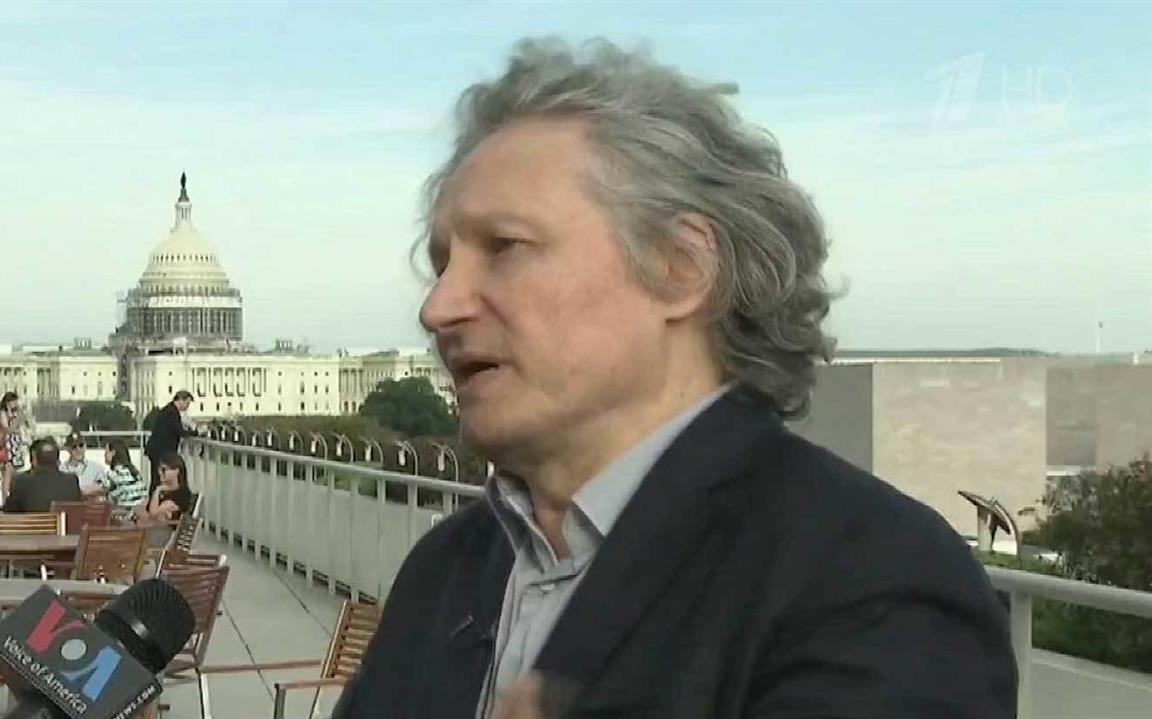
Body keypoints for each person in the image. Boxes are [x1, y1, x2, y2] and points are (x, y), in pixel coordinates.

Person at [332, 40, 1015, 719]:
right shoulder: (444, 570)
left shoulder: (871, 579)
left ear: (681, 267)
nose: (439, 307)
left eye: (504, 247)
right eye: (443, 264)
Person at [5, 438, 82, 513]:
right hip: (65, 522)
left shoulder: (20, 481)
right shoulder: (71, 481)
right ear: (58, 461)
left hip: (32, 522)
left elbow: (10, 513)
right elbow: (79, 511)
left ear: (34, 460)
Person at [144, 390, 198, 492]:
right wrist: (195, 432)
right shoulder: (172, 413)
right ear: (181, 400)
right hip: (161, 451)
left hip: (157, 449)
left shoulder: (168, 410)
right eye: (187, 403)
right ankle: (156, 499)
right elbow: (180, 432)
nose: (187, 407)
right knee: (158, 479)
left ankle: (155, 499)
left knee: (156, 478)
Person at [0, 392, 30, 499]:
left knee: (15, 472)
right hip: (7, 445)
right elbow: (7, 429)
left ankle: (12, 494)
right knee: (7, 471)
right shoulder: (3, 413)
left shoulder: (18, 412)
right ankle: (5, 496)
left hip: (16, 444)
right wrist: (17, 420)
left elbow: (25, 425)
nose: (15, 403)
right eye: (13, 401)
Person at [99, 439, 148, 521]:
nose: (104, 455)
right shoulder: (135, 473)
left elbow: (96, 489)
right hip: (140, 517)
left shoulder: (114, 474)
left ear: (113, 452)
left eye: (106, 452)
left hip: (124, 517)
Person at [139, 453, 191, 524]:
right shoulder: (162, 491)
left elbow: (153, 513)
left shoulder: (181, 494)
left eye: (164, 470)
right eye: (159, 469)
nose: (160, 473)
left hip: (166, 528)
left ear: (176, 471)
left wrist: (158, 490)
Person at [60, 431, 109, 498]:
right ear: (68, 449)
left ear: (85, 446)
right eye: (74, 447)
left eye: (81, 445)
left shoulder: (97, 468)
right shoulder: (61, 469)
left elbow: (105, 489)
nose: (78, 450)